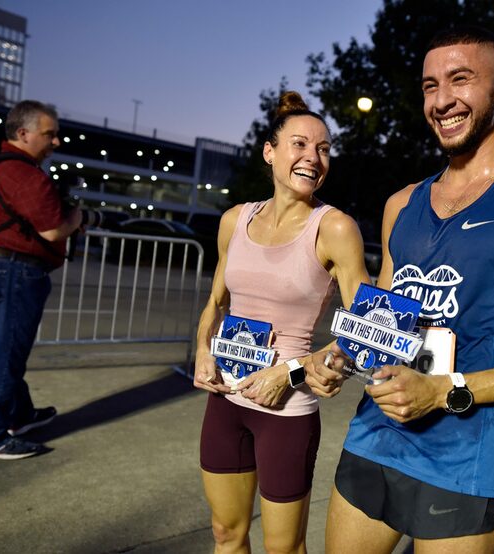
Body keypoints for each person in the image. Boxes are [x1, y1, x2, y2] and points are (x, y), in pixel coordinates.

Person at [311, 26, 494, 553]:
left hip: (463, 464)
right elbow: (387, 323)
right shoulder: (402, 203)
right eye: (429, 86)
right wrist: (337, 355)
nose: (442, 100)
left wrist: (444, 390)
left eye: (460, 80)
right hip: (374, 437)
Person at [193, 91, 369, 553]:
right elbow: (215, 303)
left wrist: (291, 371)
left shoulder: (333, 228)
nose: (314, 157)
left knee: (283, 549)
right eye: (300, 145)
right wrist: (201, 350)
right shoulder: (235, 220)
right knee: (225, 535)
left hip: (286, 412)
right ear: (270, 152)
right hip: (226, 400)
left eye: (324, 149)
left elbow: (369, 331)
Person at [0, 101, 82, 460]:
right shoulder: (22, 172)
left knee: (2, 349)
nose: (56, 142)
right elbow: (52, 229)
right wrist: (78, 218)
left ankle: (19, 415)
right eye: (49, 134)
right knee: (3, 355)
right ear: (23, 133)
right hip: (13, 272)